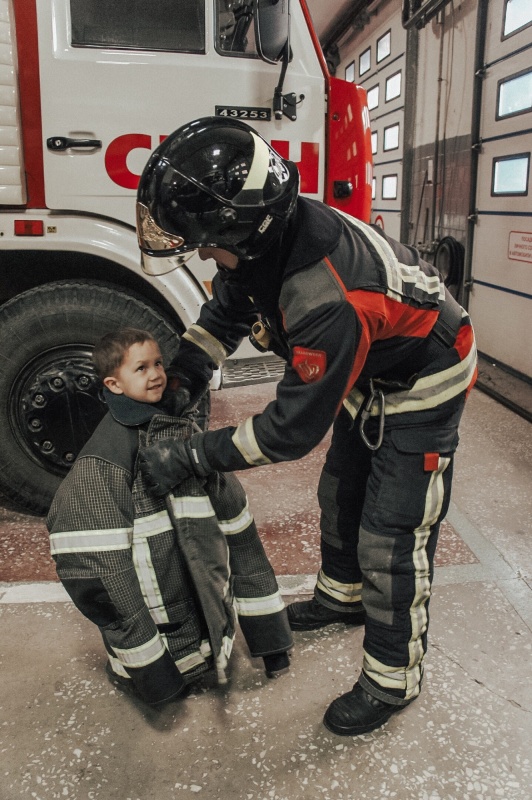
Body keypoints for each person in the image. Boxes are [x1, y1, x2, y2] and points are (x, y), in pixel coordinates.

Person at [135, 116, 477, 734]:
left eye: (204, 243)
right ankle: (342, 599)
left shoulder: (326, 296)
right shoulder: (266, 238)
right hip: (372, 365)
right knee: (341, 490)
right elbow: (229, 309)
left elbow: (287, 433)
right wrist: (187, 369)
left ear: (241, 229)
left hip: (426, 375)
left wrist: (194, 455)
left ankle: (393, 679)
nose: (203, 254)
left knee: (392, 533)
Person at [47, 327, 293, 708]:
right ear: (113, 383)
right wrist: (156, 679)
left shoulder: (180, 431)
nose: (157, 374)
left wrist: (271, 640)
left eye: (159, 362)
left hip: (208, 633)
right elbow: (102, 578)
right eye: (141, 368)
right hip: (165, 652)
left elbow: (240, 535)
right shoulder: (105, 461)